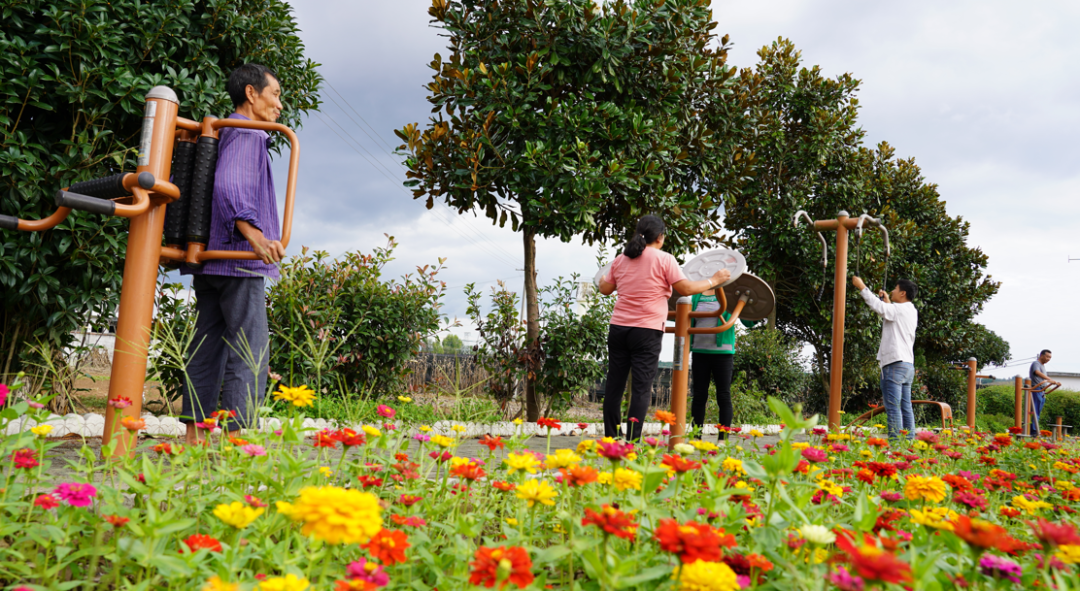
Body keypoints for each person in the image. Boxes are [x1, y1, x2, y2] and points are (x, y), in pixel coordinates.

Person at [180, 63, 286, 444]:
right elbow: (231, 185)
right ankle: (237, 442)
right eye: (274, 95)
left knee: (207, 345)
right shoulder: (248, 132)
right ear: (251, 94)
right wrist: (255, 236)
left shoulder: (228, 130)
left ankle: (194, 438)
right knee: (250, 349)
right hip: (238, 260)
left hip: (212, 258)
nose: (279, 105)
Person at [598, 215, 730, 440]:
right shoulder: (664, 259)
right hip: (646, 331)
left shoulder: (621, 259)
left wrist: (606, 278)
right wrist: (713, 280)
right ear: (660, 237)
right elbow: (686, 288)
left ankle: (611, 438)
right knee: (641, 388)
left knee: (614, 386)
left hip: (618, 328)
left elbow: (604, 288)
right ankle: (631, 443)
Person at [852, 276, 918, 441]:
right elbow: (891, 313)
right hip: (907, 365)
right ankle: (908, 444)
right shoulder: (911, 310)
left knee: (893, 408)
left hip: (894, 365)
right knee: (905, 407)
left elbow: (877, 306)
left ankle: (895, 445)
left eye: (895, 289)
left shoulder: (898, 310)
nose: (892, 291)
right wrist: (888, 302)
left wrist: (861, 286)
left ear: (902, 293)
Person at [689, 289, 760, 440]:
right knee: (699, 396)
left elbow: (748, 321)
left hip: (723, 354)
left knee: (723, 395)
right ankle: (696, 437)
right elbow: (684, 317)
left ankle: (723, 439)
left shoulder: (729, 294)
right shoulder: (696, 295)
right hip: (699, 351)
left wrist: (759, 310)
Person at [1028, 349, 1060, 436]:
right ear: (1041, 355)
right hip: (1036, 389)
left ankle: (1034, 430)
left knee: (1037, 411)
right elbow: (1037, 372)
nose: (1048, 359)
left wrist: (1055, 382)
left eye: (1050, 357)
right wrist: (1049, 380)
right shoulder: (1036, 364)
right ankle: (1034, 431)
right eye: (1047, 356)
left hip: (1042, 390)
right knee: (1035, 411)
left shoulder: (1042, 366)